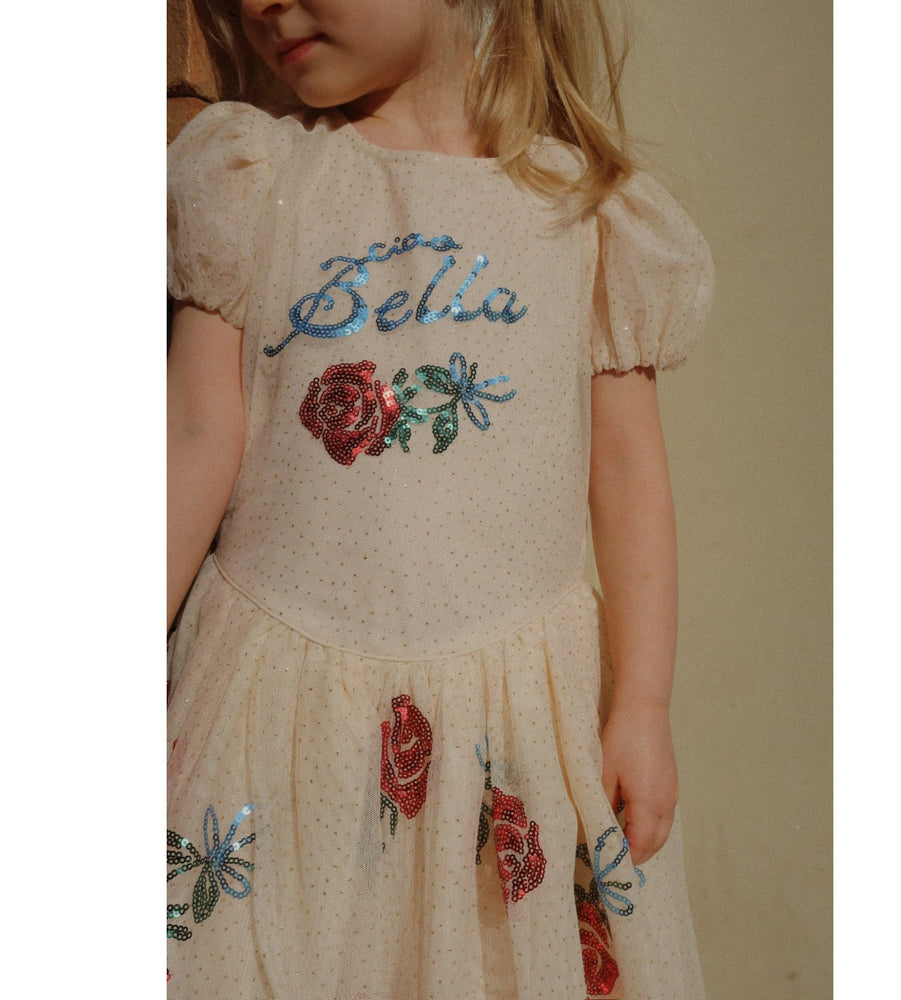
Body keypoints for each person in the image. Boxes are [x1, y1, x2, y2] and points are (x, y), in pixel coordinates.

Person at [167, 1, 714, 997]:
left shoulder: (586, 215)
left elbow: (629, 471)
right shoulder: (256, 180)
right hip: (272, 704)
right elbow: (194, 437)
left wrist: (642, 700)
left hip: (512, 716)